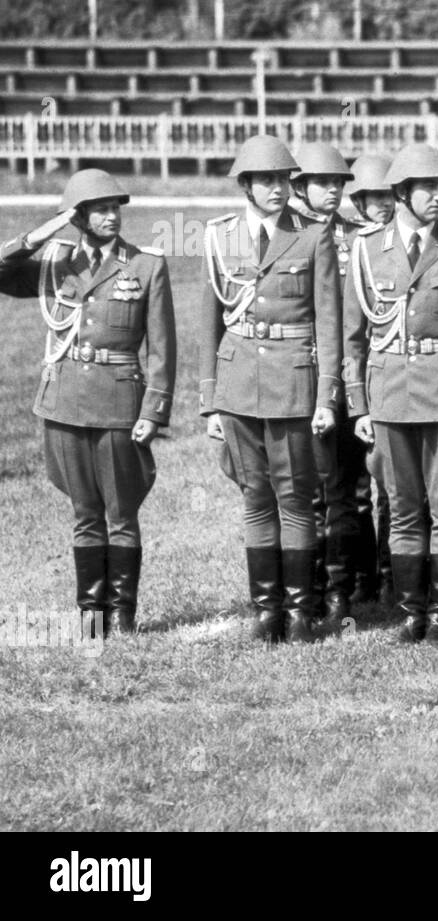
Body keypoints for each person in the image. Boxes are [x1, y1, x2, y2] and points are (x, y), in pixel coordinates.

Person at [0, 169, 175, 637]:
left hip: (120, 401)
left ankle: (122, 612)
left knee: (121, 512)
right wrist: (38, 234)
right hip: (65, 402)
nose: (111, 216)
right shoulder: (56, 263)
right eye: (99, 209)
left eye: (115, 208)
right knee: (84, 512)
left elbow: (161, 348)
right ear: (76, 218)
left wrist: (153, 411)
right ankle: (90, 613)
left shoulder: (146, 265)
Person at [344, 144, 438, 643]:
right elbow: (353, 336)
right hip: (389, 392)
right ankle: (412, 612)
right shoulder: (366, 249)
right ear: (402, 194)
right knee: (404, 506)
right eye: (428, 189)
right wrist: (357, 403)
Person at [200, 134, 342, 644]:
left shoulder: (313, 236)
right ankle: (267, 610)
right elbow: (208, 324)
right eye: (267, 181)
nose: (278, 188)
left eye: (284, 180)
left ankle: (301, 611)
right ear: (246, 186)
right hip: (238, 384)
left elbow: (329, 320)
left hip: (294, 384)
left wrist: (327, 395)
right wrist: (209, 402)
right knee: (256, 497)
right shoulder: (220, 237)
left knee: (296, 497)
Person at [289, 142, 370, 630]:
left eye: (339, 183)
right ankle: (307, 590)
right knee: (307, 490)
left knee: (346, 490)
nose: (332, 191)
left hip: (349, 377)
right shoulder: (288, 236)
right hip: (301, 376)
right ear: (299, 186)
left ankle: (341, 592)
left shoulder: (360, 236)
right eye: (322, 183)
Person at [342, 153, 394, 605]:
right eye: (372, 197)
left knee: (390, 486)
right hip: (344, 378)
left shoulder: (392, 243)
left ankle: (390, 572)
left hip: (386, 378)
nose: (382, 204)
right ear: (357, 200)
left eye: (387, 195)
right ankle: (358, 579)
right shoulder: (344, 242)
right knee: (349, 490)